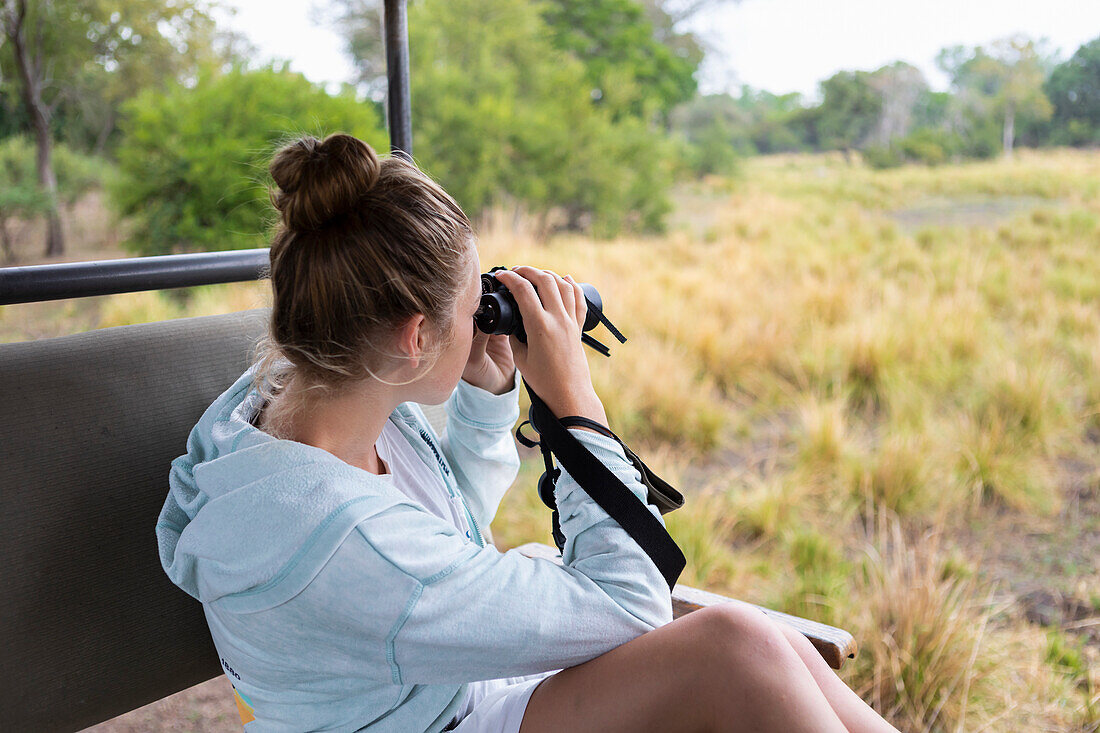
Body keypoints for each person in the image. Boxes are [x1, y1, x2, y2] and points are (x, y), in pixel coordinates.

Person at [156, 132, 898, 733]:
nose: (484, 312)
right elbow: (628, 597)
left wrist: (488, 390)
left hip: (443, 694)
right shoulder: (341, 540)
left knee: (757, 644)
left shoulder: (296, 402)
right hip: (441, 714)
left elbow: (433, 542)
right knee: (737, 648)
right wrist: (572, 400)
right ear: (413, 338)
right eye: (472, 301)